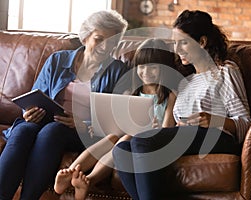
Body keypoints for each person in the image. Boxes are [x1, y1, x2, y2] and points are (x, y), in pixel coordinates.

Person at [112, 10, 251, 200]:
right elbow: (172, 128)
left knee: (142, 141)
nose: (177, 49)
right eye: (175, 44)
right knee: (121, 151)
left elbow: (246, 124)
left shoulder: (225, 72)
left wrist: (214, 120)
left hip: (217, 137)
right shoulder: (184, 82)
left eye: (183, 42)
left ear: (202, 42)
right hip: (186, 138)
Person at [0, 10, 128, 200]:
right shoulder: (58, 60)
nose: (104, 47)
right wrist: (29, 112)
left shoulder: (117, 71)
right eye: (99, 39)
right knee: (23, 130)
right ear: (85, 37)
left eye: (111, 42)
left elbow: (114, 122)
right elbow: (35, 97)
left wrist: (82, 123)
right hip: (44, 121)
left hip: (82, 131)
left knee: (53, 130)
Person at [53, 38, 177, 200]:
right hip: (126, 137)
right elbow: (117, 122)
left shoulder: (170, 95)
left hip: (150, 141)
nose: (145, 72)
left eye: (152, 67)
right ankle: (73, 173)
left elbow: (168, 129)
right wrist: (101, 126)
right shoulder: (131, 92)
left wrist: (156, 128)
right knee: (113, 136)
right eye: (141, 67)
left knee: (126, 137)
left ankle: (89, 180)